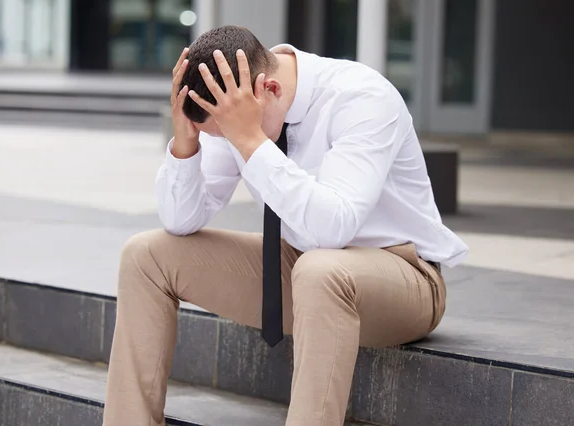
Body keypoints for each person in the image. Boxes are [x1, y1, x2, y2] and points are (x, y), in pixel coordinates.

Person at [103, 25, 468, 426]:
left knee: (319, 269)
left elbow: (333, 227)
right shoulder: (236, 104)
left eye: (224, 131)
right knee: (145, 255)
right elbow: (180, 219)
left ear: (270, 89)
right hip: (303, 269)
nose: (225, 140)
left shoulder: (362, 98)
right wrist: (187, 142)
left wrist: (250, 141)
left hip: (404, 276)